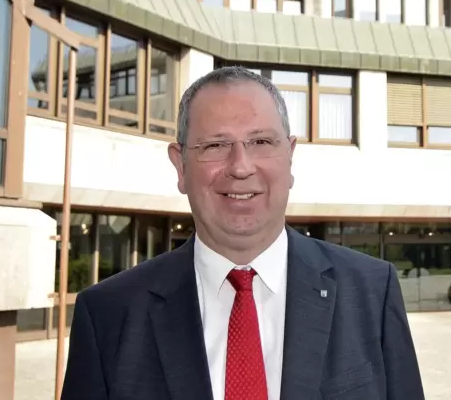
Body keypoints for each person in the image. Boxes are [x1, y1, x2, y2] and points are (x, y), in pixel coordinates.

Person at [61, 66, 426, 400]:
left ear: (290, 156)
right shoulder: (108, 314)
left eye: (261, 142)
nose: (240, 167)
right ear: (180, 166)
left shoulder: (371, 292)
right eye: (215, 145)